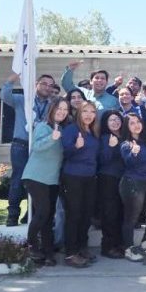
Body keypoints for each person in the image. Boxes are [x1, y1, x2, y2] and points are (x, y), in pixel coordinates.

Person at [0, 72, 55, 226]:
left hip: (41, 147)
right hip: (21, 145)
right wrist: (11, 79)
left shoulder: (52, 105)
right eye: (44, 83)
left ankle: (31, 214)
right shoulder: (23, 100)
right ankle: (12, 215)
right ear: (36, 84)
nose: (47, 87)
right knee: (18, 180)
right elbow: (4, 96)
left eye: (50, 85)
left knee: (37, 181)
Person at [21, 98, 69, 266]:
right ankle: (31, 245)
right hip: (36, 177)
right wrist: (52, 138)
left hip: (52, 180)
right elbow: (37, 147)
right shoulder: (43, 126)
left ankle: (48, 253)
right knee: (42, 212)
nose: (62, 112)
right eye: (59, 108)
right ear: (52, 109)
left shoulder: (61, 129)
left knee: (48, 217)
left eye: (65, 109)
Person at [60, 101, 100, 268]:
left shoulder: (94, 131)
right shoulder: (71, 130)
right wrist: (76, 147)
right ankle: (70, 253)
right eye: (85, 111)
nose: (89, 115)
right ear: (78, 113)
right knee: (74, 214)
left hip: (90, 178)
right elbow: (64, 152)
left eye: (92, 112)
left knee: (86, 214)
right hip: (73, 177)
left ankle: (82, 248)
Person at [119, 113, 146, 261]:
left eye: (138, 122)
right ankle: (128, 249)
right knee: (131, 217)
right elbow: (128, 162)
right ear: (127, 127)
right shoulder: (126, 144)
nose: (136, 125)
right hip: (133, 183)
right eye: (132, 123)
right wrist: (133, 153)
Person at [97, 110, 126, 259]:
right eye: (111, 120)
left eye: (117, 119)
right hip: (108, 178)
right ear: (106, 123)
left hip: (123, 179)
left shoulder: (124, 136)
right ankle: (108, 247)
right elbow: (103, 160)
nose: (115, 122)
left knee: (120, 212)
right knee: (110, 213)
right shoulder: (104, 138)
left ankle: (118, 244)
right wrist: (110, 146)